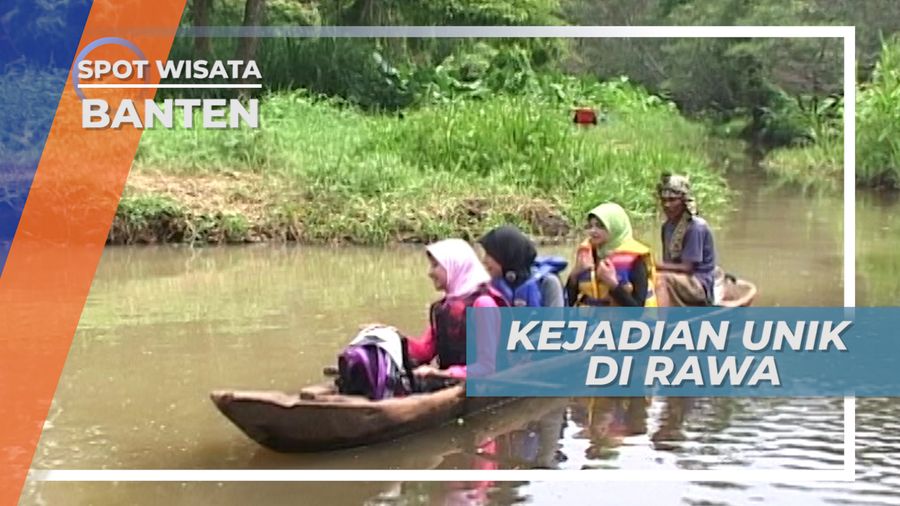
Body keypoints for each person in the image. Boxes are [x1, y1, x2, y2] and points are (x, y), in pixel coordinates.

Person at [403, 238, 507, 380]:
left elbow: (487, 367)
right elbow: (425, 351)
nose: (430, 272)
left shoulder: (484, 304)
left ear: (455, 266)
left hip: (481, 381)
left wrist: (442, 374)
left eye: (435, 265)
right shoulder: (443, 306)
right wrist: (392, 338)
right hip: (450, 377)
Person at [566, 202, 657, 307]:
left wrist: (613, 284)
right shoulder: (587, 254)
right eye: (590, 226)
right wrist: (575, 273)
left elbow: (637, 311)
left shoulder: (636, 259)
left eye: (600, 226)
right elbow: (569, 302)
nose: (593, 231)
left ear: (615, 227)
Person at [655, 174, 717, 306]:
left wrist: (655, 265)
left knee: (661, 278)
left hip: (698, 282)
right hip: (679, 279)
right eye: (664, 200)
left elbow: (687, 267)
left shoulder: (696, 227)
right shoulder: (666, 227)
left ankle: (659, 323)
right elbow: (669, 262)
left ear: (684, 201)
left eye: (672, 200)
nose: (667, 205)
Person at [477, 225, 567, 308]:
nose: (484, 260)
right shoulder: (490, 287)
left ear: (505, 255)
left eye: (489, 255)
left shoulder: (548, 283)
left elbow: (555, 323)